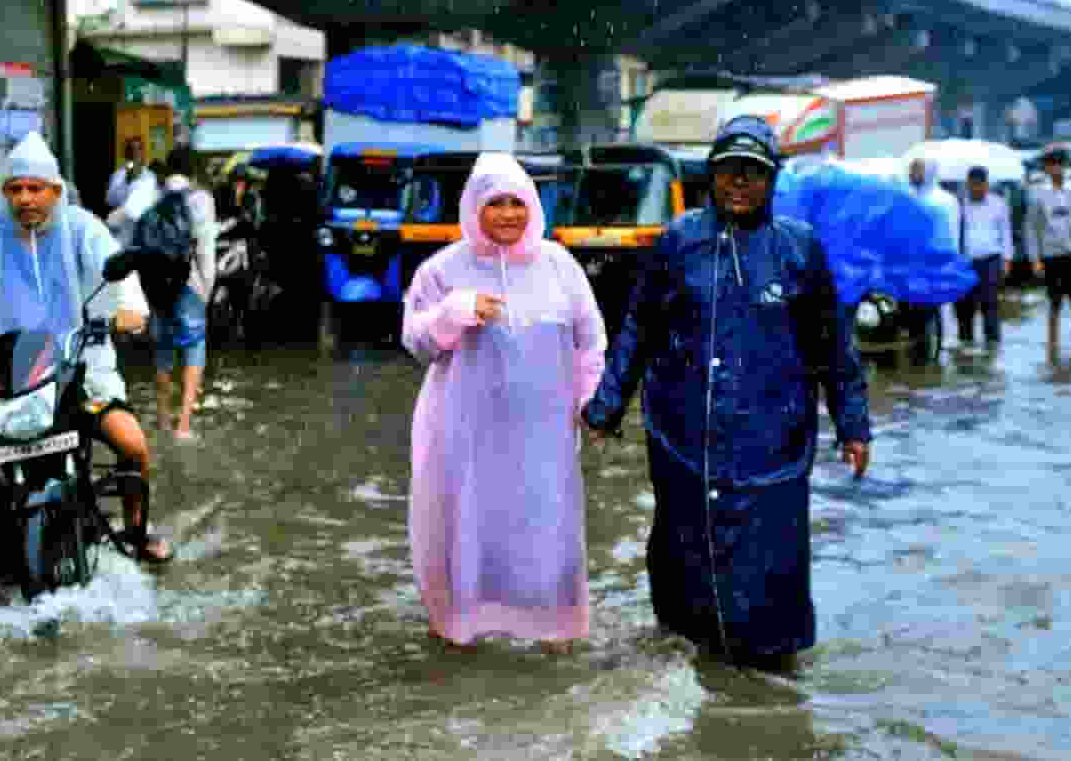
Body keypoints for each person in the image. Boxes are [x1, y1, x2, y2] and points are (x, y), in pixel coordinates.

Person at [581, 116, 872, 669]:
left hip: (773, 439)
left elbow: (833, 345)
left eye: (753, 174)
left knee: (770, 558)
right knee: (682, 549)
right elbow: (637, 329)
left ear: (772, 180)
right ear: (711, 176)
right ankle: (686, 658)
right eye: (729, 172)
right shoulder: (678, 242)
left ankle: (768, 671)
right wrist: (606, 405)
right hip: (683, 434)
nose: (740, 183)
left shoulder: (798, 249)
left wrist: (852, 423)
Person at [0, 132, 174, 564]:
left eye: (35, 188)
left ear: (54, 191)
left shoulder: (84, 228)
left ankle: (136, 529)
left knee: (133, 444)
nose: (26, 198)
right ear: (4, 191)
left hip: (76, 363)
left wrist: (130, 310)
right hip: (1, 365)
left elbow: (118, 276)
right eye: (16, 189)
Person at [401, 151, 607, 653]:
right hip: (466, 434)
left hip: (544, 438)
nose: (509, 214)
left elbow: (591, 340)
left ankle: (555, 631)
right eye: (496, 204)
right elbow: (416, 340)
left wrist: (591, 404)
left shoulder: (560, 265)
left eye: (518, 202)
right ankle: (460, 628)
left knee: (549, 529)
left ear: (534, 206)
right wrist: (455, 312)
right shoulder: (443, 270)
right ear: (474, 208)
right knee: (466, 527)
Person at [135, 165, 218, 437]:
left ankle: (162, 419)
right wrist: (206, 290)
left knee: (163, 350)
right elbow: (205, 249)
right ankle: (183, 425)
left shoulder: (150, 201)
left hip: (158, 287)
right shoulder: (200, 202)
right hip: (189, 284)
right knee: (194, 348)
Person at [1025, 147, 1071, 350]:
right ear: (1046, 168)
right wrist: (1035, 259)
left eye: (1059, 164)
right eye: (1051, 164)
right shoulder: (1037, 193)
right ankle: (1053, 342)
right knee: (1054, 301)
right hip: (1051, 255)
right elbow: (1032, 228)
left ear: (1065, 166)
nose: (1055, 168)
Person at [902, 158, 961, 363]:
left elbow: (952, 233)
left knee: (942, 307)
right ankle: (920, 347)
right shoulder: (908, 197)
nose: (912, 174)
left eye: (917, 170)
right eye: (911, 170)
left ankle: (945, 345)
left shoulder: (945, 200)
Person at [954, 166, 1015, 345]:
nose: (977, 188)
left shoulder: (998, 204)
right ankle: (965, 345)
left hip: (991, 261)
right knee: (964, 307)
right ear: (968, 185)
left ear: (986, 185)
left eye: (980, 185)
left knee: (990, 305)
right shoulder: (960, 205)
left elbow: (1006, 233)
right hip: (965, 263)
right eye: (973, 185)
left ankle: (992, 346)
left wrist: (1007, 260)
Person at [105, 137, 157, 239]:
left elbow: (152, 202)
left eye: (139, 149)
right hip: (123, 227)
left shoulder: (150, 176)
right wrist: (127, 183)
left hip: (144, 227)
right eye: (132, 149)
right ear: (127, 154)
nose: (135, 153)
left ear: (143, 153)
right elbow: (110, 199)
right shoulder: (118, 175)